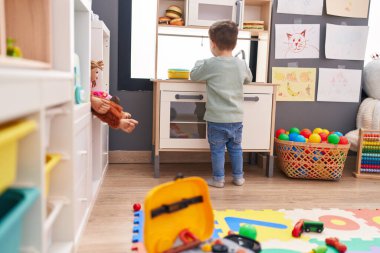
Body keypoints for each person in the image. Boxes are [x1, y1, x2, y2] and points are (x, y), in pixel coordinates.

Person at [190, 20, 252, 188]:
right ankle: (238, 177)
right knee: (236, 148)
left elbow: (194, 75)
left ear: (213, 43)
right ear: (235, 43)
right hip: (236, 118)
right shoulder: (242, 64)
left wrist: (199, 62)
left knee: (217, 150)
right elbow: (249, 78)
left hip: (217, 119)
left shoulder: (210, 64)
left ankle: (218, 179)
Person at [90, 60, 138, 133]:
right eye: (96, 72)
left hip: (92, 98)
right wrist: (91, 99)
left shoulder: (89, 83)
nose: (97, 76)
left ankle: (120, 114)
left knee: (107, 104)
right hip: (90, 99)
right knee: (104, 106)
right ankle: (118, 121)